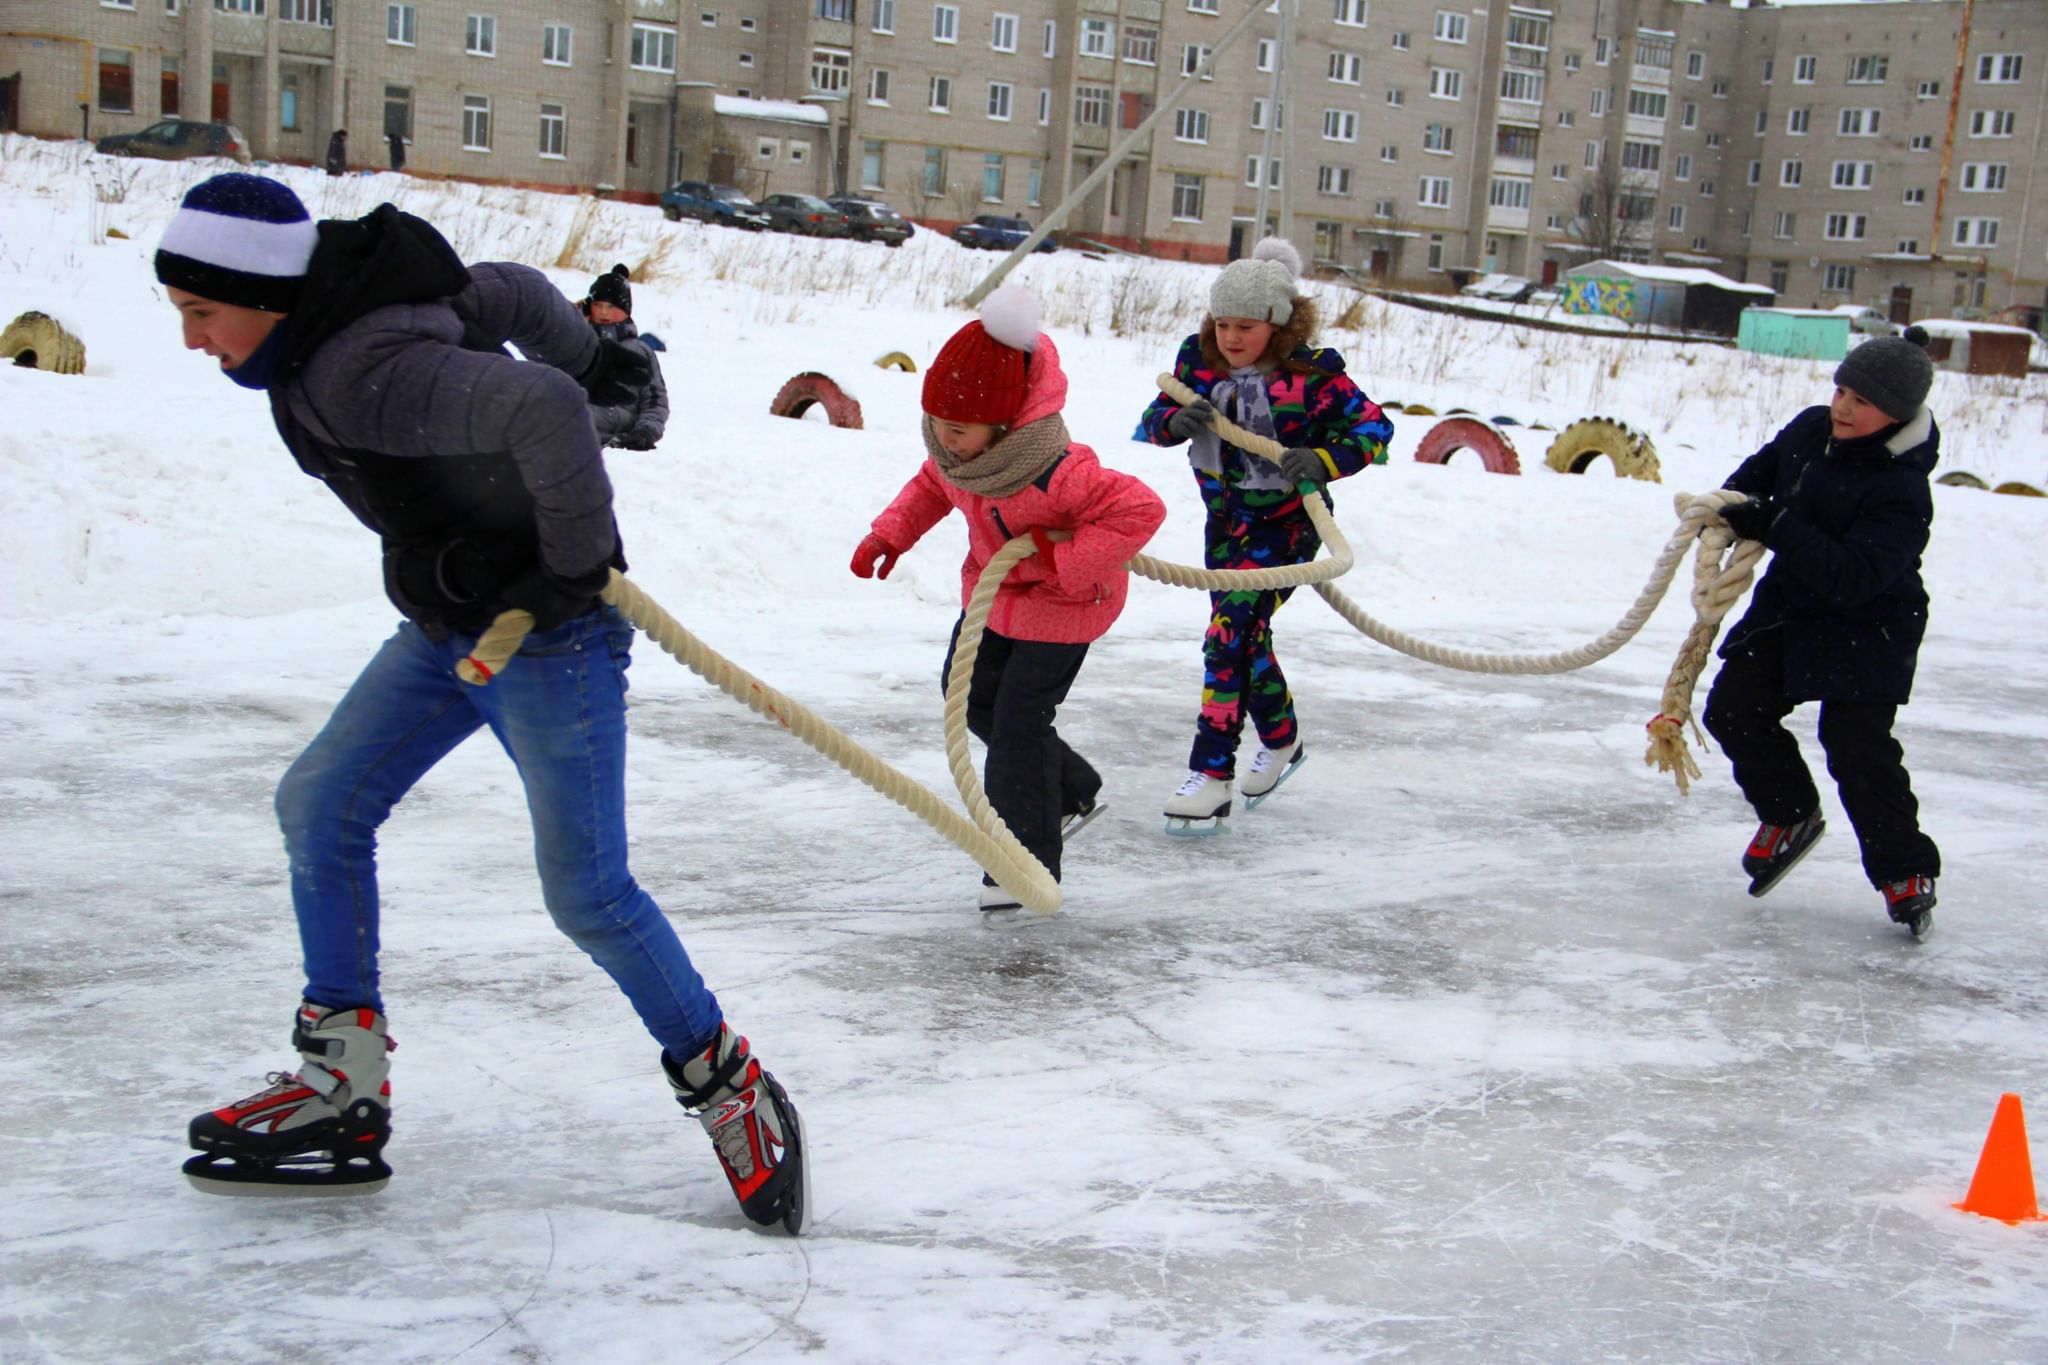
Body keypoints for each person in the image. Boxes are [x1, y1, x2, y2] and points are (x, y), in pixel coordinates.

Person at [155, 172, 807, 1231]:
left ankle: (730, 1086)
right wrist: (598, 355)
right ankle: (342, 1083)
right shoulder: (350, 312)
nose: (191, 339)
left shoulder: (362, 370)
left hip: (552, 641)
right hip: (452, 634)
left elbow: (543, 407)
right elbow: (497, 293)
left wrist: (570, 562)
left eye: (201, 313)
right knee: (319, 806)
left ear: (267, 296)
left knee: (587, 896)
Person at [851, 288, 1166, 914]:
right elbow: (930, 486)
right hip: (993, 598)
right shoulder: (957, 456)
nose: (944, 440)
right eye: (936, 425)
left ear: (1003, 425)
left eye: (958, 429)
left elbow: (1141, 508)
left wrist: (1059, 561)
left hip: (1066, 603)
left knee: (1021, 718)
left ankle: (1024, 862)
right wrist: (890, 533)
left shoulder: (1056, 469)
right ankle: (1072, 786)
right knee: (969, 701)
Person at [1135, 237, 1394, 834]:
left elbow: (1375, 430)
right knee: (1244, 639)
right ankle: (1281, 740)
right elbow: (1152, 420)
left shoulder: (1311, 377)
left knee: (1227, 637)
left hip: (1287, 529)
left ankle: (1211, 774)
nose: (1230, 337)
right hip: (1224, 526)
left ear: (1275, 323)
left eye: (1245, 326)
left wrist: (1324, 460)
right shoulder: (1197, 363)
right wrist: (1172, 421)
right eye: (1222, 323)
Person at [1702, 327, 1943, 939]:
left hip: (1871, 623)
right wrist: (1733, 508)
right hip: (1794, 606)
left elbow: (1854, 575)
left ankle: (1904, 873)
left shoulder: (1902, 488)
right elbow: (1759, 473)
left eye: (1862, 401)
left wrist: (1777, 525)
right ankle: (1790, 815)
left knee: (1856, 744)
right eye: (1841, 390)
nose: (1843, 406)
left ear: (1896, 414)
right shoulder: (1812, 430)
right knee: (1733, 709)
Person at [580, 262, 668, 451]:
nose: (604, 312)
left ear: (626, 310)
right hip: (573, 430)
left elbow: (655, 401)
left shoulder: (640, 351)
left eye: (611, 306)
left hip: (620, 436)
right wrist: (576, 320)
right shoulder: (576, 345)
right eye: (597, 305)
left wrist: (646, 431)